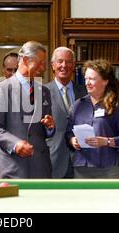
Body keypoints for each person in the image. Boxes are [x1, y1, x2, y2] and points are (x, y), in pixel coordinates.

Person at [0, 41, 55, 178]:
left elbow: (46, 131)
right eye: (40, 63)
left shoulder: (44, 91)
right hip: (11, 168)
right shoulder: (0, 89)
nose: (43, 68)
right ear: (25, 60)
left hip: (40, 168)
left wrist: (50, 126)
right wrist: (15, 144)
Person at [65, 59, 119, 178]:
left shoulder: (116, 106)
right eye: (86, 79)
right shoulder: (78, 105)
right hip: (82, 168)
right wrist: (72, 140)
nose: (87, 83)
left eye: (92, 79)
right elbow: (68, 132)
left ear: (105, 81)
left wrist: (106, 141)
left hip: (108, 168)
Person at [45, 47, 87, 178]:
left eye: (68, 62)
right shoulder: (42, 92)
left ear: (73, 66)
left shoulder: (85, 92)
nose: (64, 65)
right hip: (53, 161)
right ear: (53, 65)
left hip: (82, 161)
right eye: (60, 61)